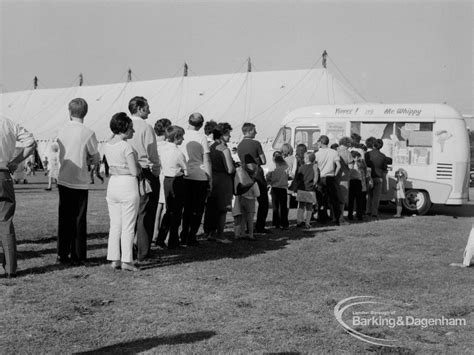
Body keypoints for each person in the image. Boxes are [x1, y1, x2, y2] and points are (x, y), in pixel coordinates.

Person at [56, 98, 100, 264]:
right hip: (80, 180)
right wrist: (90, 160)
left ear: (69, 111)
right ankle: (78, 253)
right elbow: (95, 157)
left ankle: (62, 252)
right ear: (86, 112)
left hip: (64, 177)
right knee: (79, 218)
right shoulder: (88, 132)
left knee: (64, 217)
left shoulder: (61, 130)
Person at [0, 116, 36, 278]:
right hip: (3, 175)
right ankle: (10, 268)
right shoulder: (7, 123)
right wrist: (15, 162)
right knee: (5, 221)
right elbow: (31, 143)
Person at [105, 112, 140, 271]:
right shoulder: (126, 146)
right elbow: (134, 171)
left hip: (113, 184)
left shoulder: (107, 144)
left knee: (115, 224)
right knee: (128, 225)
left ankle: (115, 258)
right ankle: (127, 260)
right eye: (131, 128)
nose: (133, 131)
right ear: (124, 128)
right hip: (127, 184)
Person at [127, 96, 161, 261]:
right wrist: (156, 169)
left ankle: (127, 249)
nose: (149, 111)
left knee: (130, 213)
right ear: (140, 108)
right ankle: (143, 251)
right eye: (147, 108)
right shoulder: (146, 127)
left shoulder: (125, 125)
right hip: (144, 170)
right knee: (146, 213)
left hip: (127, 172)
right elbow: (152, 152)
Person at [179, 112, 212, 246]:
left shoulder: (182, 135)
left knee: (186, 208)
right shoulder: (202, 137)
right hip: (199, 175)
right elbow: (207, 159)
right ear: (201, 124)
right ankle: (191, 235)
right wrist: (210, 179)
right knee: (197, 209)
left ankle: (184, 234)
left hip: (185, 175)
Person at [155, 126, 187, 249]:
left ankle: (161, 238)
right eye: (181, 137)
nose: (183, 139)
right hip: (177, 180)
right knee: (177, 212)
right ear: (176, 138)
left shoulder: (162, 150)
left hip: (166, 180)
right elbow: (186, 169)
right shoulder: (178, 152)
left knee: (168, 210)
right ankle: (173, 240)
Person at [203, 123, 235, 244]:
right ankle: (220, 234)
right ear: (221, 135)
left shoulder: (210, 147)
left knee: (212, 207)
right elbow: (230, 169)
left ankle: (209, 232)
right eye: (227, 134)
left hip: (212, 177)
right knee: (222, 209)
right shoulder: (224, 149)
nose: (230, 136)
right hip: (223, 180)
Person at [237, 122, 269, 234]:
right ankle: (260, 226)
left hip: (245, 175)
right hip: (257, 174)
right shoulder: (256, 143)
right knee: (263, 201)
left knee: (246, 201)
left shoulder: (240, 145)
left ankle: (246, 226)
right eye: (254, 130)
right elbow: (264, 161)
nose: (256, 132)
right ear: (249, 131)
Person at [151, 118, 172, 247]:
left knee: (157, 205)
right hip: (164, 174)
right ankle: (162, 234)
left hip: (155, 174)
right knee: (165, 205)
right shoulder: (166, 145)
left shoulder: (153, 144)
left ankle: (154, 232)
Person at [315, 135, 341, 225]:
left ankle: (322, 218)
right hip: (330, 177)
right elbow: (339, 166)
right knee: (334, 199)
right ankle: (337, 218)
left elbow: (315, 168)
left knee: (321, 200)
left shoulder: (317, 154)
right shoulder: (333, 152)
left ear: (321, 143)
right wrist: (335, 174)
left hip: (321, 178)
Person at [365, 138, 392, 219]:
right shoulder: (383, 156)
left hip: (369, 176)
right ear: (381, 146)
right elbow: (384, 167)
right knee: (376, 196)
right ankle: (374, 212)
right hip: (379, 177)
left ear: (373, 145)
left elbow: (365, 165)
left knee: (369, 195)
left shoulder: (367, 154)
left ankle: (368, 211)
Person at [233, 164, 260, 240]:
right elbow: (258, 194)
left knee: (243, 218)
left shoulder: (242, 182)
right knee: (250, 219)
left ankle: (243, 233)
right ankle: (251, 234)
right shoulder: (253, 183)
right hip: (250, 200)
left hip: (241, 199)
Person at [295, 152, 319, 228]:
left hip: (302, 188)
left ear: (307, 159)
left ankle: (299, 221)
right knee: (309, 206)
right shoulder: (315, 167)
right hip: (310, 188)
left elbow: (298, 178)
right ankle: (307, 222)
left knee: (301, 206)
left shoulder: (301, 167)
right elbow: (318, 178)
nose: (303, 159)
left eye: (304, 157)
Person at [266, 154, 289, 229]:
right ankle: (284, 223)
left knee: (275, 206)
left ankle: (276, 222)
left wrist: (269, 182)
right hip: (283, 188)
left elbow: (268, 177)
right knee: (283, 206)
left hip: (275, 188)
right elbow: (290, 175)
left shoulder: (273, 168)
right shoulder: (286, 167)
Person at [336, 137, 353, 223]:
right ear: (348, 144)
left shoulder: (335, 150)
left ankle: (333, 216)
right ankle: (341, 217)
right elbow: (350, 166)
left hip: (334, 177)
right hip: (344, 177)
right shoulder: (347, 153)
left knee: (334, 198)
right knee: (342, 199)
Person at [347, 150, 366, 221]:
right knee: (354, 199)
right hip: (354, 181)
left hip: (356, 181)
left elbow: (363, 167)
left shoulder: (359, 162)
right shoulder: (353, 163)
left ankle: (358, 214)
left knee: (357, 199)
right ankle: (352, 215)